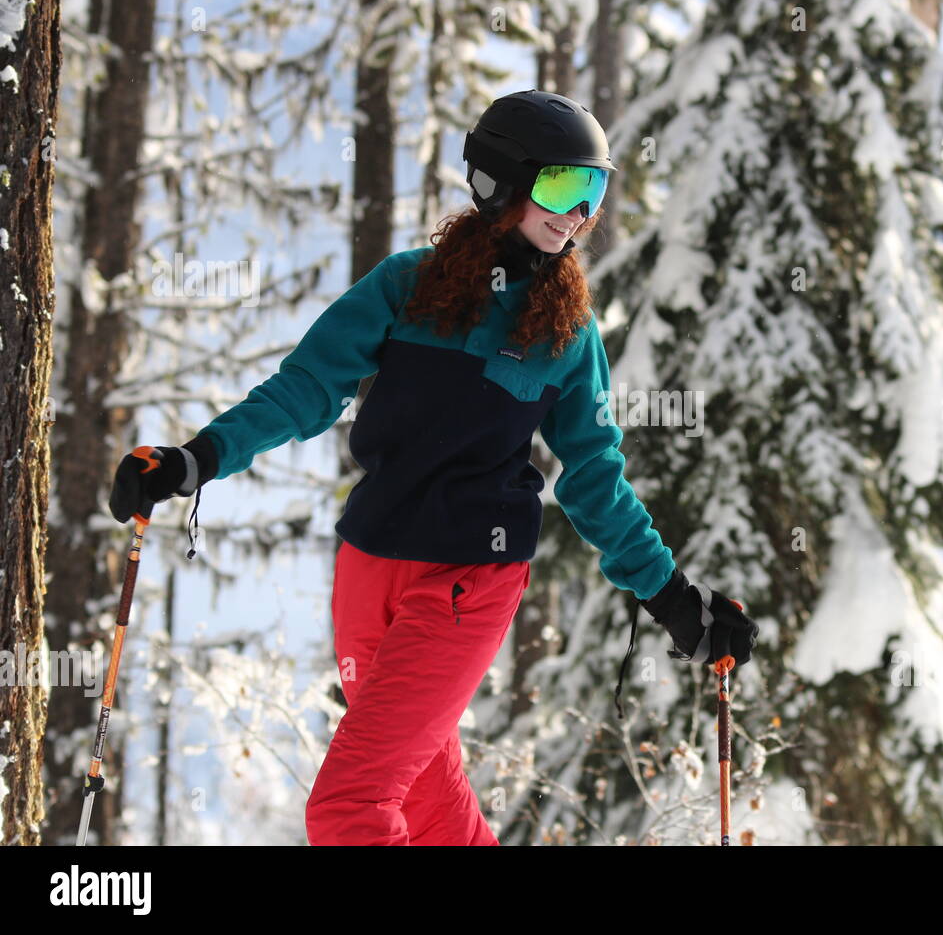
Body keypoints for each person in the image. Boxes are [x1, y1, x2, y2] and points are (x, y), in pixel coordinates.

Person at [109, 89, 758, 846]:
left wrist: (673, 597)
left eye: (595, 190)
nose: (579, 212)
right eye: (561, 186)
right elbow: (308, 386)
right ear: (499, 183)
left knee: (349, 805)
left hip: (470, 581)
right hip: (368, 565)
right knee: (423, 796)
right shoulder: (406, 285)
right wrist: (199, 458)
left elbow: (592, 477)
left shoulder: (565, 335)